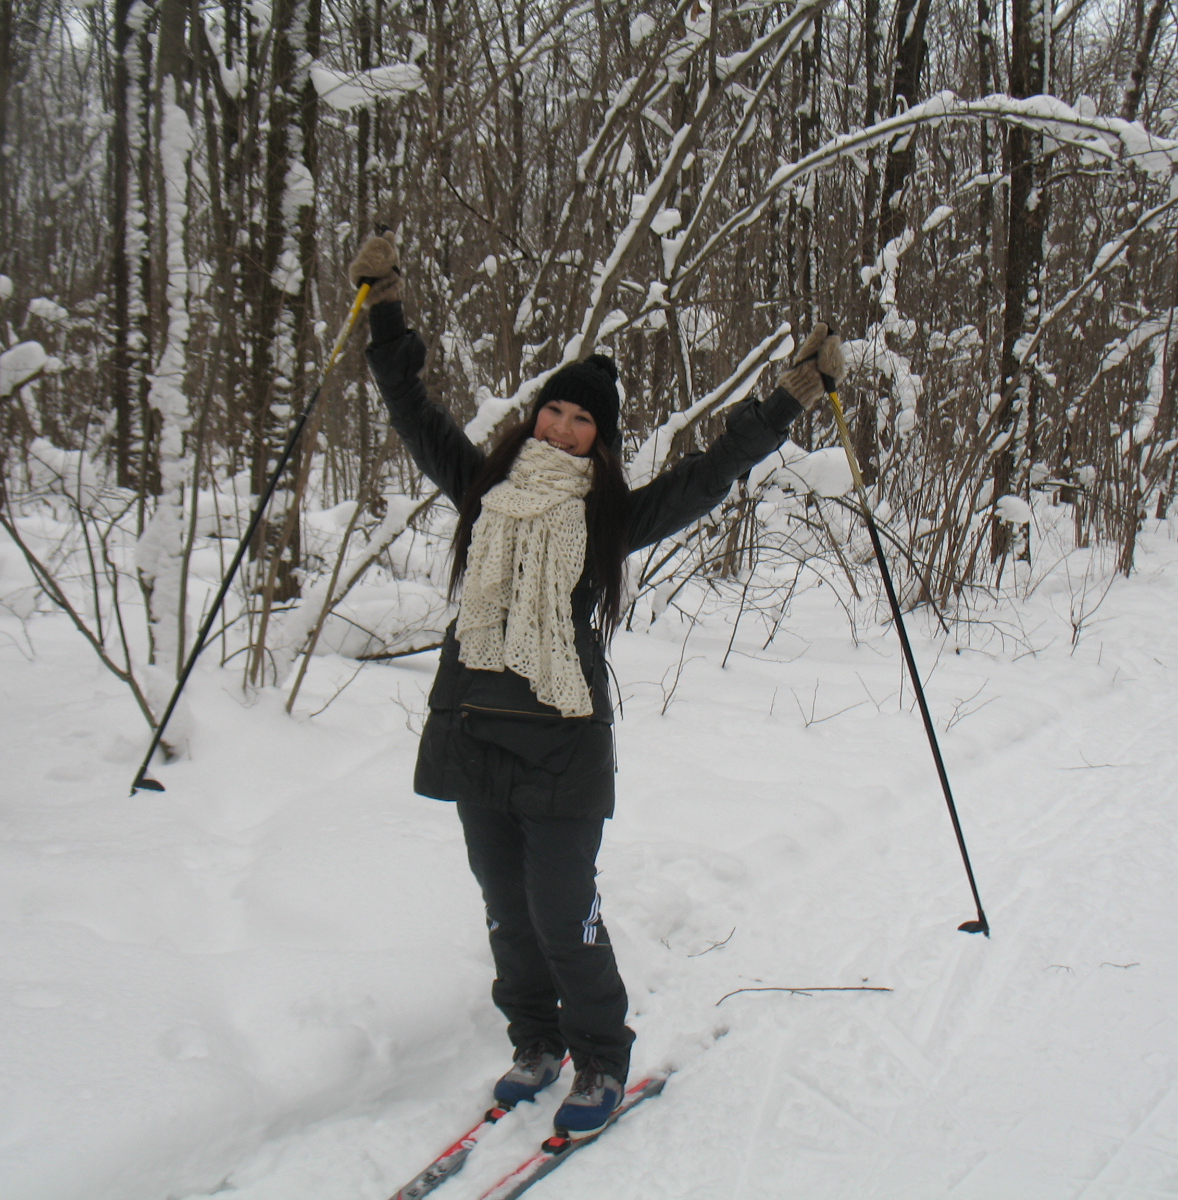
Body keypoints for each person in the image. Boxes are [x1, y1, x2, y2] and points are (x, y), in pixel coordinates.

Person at [349, 234, 846, 1136]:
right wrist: (385, 314)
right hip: (474, 732)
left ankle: (601, 1056)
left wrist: (785, 402)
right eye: (553, 413)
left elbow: (707, 476)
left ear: (600, 438)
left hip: (562, 746)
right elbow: (414, 413)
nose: (561, 428)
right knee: (506, 912)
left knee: (561, 910)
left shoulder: (610, 514)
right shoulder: (484, 487)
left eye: (581, 421)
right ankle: (534, 1042)